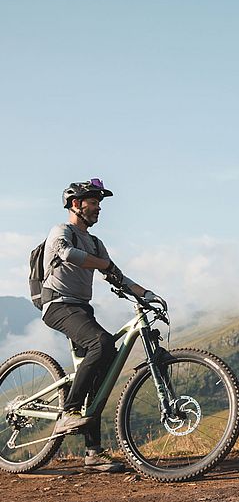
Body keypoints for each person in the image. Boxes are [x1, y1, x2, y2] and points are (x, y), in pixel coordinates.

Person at [42, 179, 166, 472]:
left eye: (99, 203)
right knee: (102, 343)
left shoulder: (96, 243)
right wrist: (104, 265)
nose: (99, 208)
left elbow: (117, 277)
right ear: (76, 204)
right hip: (58, 305)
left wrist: (148, 295)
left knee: (105, 362)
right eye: (94, 202)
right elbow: (67, 254)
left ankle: (93, 453)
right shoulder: (62, 231)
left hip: (82, 309)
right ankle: (68, 412)